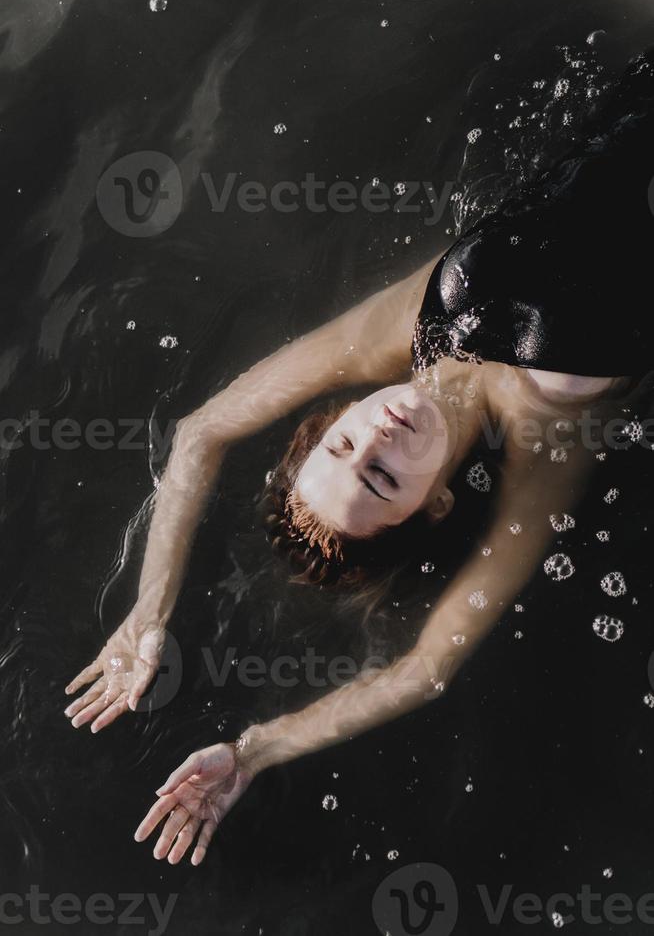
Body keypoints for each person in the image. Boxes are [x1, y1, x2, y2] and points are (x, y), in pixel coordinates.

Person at [65, 50, 654, 866]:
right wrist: (256, 749)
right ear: (435, 506)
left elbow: (200, 430)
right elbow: (427, 669)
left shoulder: (393, 336)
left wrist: (148, 614)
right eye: (379, 478)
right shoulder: (540, 451)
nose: (375, 438)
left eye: (343, 442)